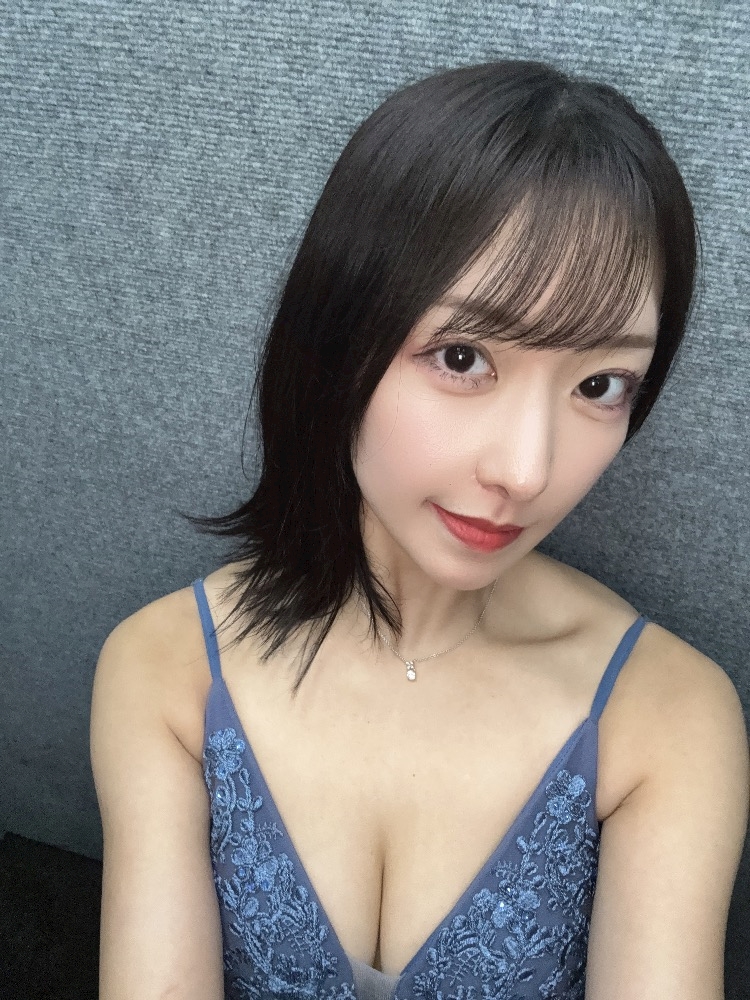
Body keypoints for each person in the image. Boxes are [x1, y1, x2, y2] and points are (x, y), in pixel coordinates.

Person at [90, 60, 749, 1000]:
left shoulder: (668, 716)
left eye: (600, 385)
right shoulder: (166, 669)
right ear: (339, 338)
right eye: (463, 357)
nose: (527, 470)